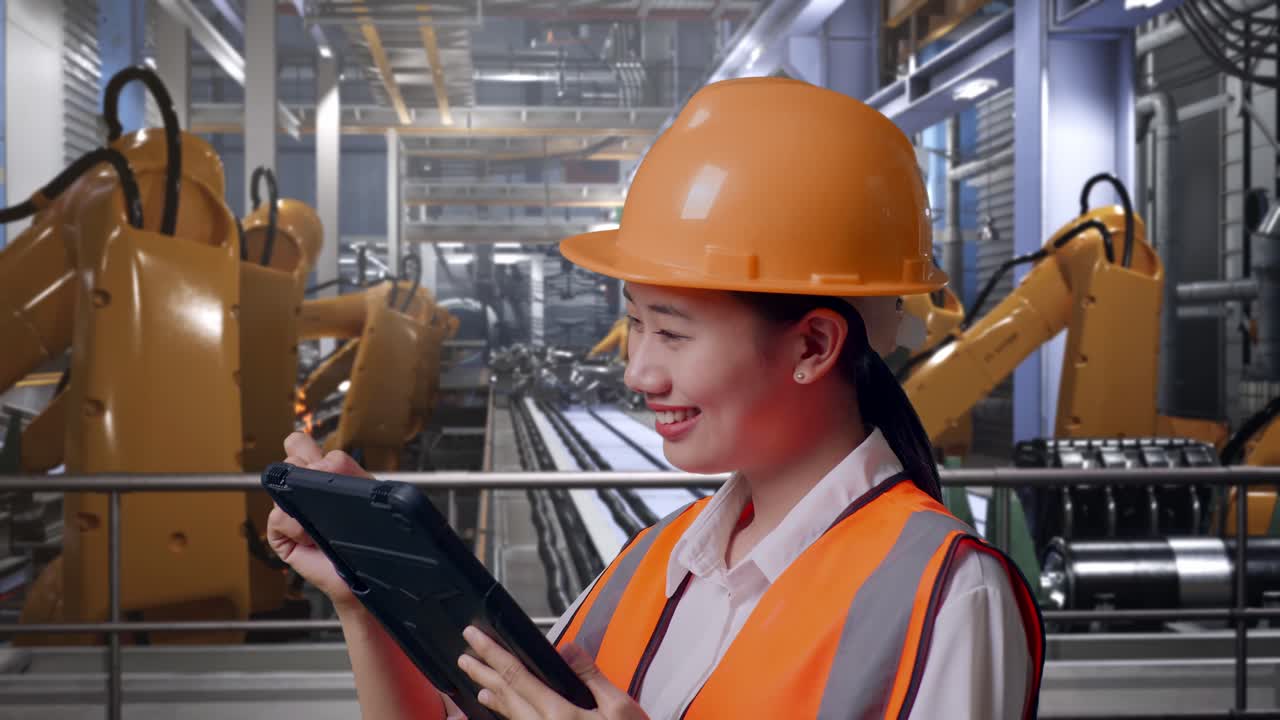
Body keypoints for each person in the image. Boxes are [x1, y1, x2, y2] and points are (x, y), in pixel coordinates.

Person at [268, 77, 1045, 720]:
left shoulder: (944, 597)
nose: (638, 371)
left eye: (671, 335)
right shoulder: (654, 565)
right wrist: (368, 596)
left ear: (813, 346)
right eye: (633, 325)